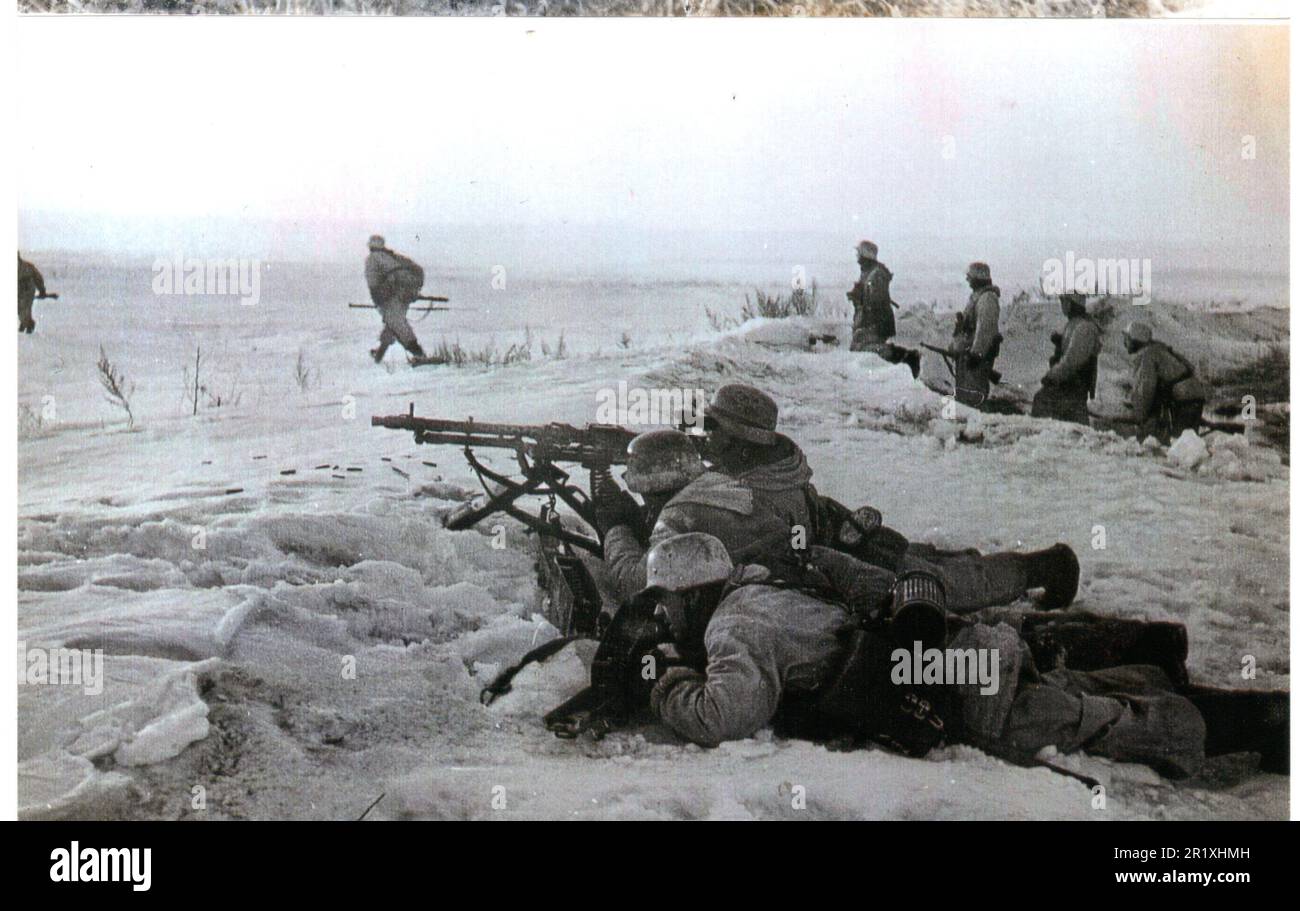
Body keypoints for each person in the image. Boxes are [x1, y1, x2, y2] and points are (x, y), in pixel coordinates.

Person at [640, 532, 1286, 776]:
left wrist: (666, 681)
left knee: (1098, 722)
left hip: (967, 689)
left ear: (688, 592)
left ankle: (1262, 722)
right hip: (965, 649)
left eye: (665, 602)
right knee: (1074, 691)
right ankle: (1163, 672)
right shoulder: (765, 583)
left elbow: (727, 714)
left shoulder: (736, 625)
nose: (664, 614)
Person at [597, 383, 1079, 612]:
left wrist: (615, 525)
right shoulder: (779, 467)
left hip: (833, 572)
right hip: (835, 545)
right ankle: (1023, 566)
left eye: (715, 429)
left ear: (741, 440)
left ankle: (1043, 567)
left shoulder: (709, 503)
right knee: (931, 563)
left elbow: (637, 581)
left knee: (941, 588)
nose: (706, 437)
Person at [1121, 320, 1207, 443]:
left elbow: (1145, 390)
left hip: (1184, 399)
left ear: (1135, 340)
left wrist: (1139, 415)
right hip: (1194, 394)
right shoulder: (1160, 349)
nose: (1125, 343)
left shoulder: (1147, 355)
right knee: (1189, 440)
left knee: (1181, 443)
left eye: (1127, 339)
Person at [846, 240, 921, 378]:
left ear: (865, 255)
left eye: (859, 253)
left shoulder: (876, 274)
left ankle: (907, 357)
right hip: (868, 321)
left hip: (875, 322)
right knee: (861, 349)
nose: (857, 257)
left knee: (867, 350)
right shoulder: (868, 273)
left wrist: (860, 298)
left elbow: (876, 302)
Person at [1030, 292, 1103, 425]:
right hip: (1070, 385)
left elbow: (1072, 361)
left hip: (1073, 386)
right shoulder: (1075, 324)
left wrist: (1052, 376)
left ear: (1071, 304)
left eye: (1065, 302)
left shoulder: (1084, 327)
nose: (1063, 306)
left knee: (1042, 401)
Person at [364, 235, 427, 363]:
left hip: (395, 296)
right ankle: (379, 354)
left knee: (396, 323)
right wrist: (411, 292)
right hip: (402, 294)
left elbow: (383, 280)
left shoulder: (374, 258)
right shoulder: (391, 256)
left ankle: (419, 354)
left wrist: (386, 296)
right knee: (392, 323)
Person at [950, 262, 1003, 408]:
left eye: (970, 277)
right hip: (970, 355)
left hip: (976, 357)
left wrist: (976, 354)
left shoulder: (987, 299)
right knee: (967, 393)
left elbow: (985, 330)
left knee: (973, 395)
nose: (968, 280)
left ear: (978, 277)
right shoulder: (979, 297)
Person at [18, 253, 49, 334]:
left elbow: (37, 277)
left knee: (24, 308)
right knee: (19, 309)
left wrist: (42, 290)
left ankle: (29, 325)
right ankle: (25, 322)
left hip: (27, 290)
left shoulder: (28, 266)